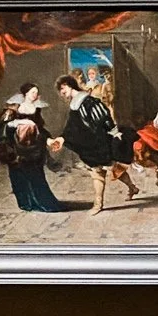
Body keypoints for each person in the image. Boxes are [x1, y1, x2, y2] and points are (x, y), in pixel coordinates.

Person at [51, 73, 138, 214]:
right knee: (109, 168)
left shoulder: (88, 101)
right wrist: (62, 138)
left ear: (67, 86)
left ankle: (99, 205)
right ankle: (131, 188)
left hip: (100, 142)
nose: (62, 93)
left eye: (62, 89)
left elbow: (103, 117)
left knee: (101, 172)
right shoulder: (75, 105)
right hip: (89, 144)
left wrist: (114, 132)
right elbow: (71, 127)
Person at [0, 86, 68, 212]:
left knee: (37, 176)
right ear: (25, 94)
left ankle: (44, 203)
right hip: (15, 148)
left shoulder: (35, 110)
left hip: (33, 148)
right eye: (32, 92)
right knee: (19, 176)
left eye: (36, 92)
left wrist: (49, 140)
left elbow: (40, 129)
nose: (35, 95)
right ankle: (26, 203)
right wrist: (17, 124)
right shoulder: (13, 109)